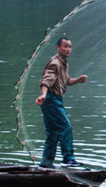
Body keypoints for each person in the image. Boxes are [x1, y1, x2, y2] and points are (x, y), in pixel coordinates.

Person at [35, 37, 88, 168]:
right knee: (65, 128)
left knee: (53, 133)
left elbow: (66, 80)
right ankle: (68, 158)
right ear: (58, 48)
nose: (68, 49)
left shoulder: (64, 64)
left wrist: (77, 80)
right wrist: (43, 94)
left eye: (70, 46)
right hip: (51, 99)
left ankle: (46, 163)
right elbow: (46, 80)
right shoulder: (55, 63)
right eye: (65, 46)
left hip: (55, 99)